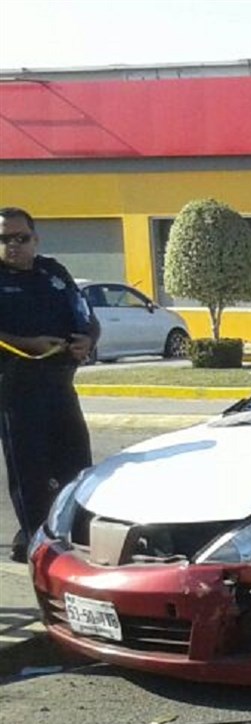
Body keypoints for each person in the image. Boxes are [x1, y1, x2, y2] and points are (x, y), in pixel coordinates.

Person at [0, 207, 97, 562]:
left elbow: (86, 315)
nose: (13, 245)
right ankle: (38, 546)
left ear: (35, 239)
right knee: (31, 472)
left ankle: (76, 534)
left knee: (77, 465)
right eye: (4, 238)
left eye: (21, 237)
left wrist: (88, 340)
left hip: (60, 385)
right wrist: (29, 344)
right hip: (16, 389)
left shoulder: (53, 272)